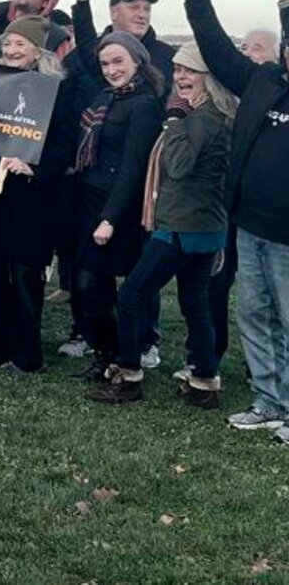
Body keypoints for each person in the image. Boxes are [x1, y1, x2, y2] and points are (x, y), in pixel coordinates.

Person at [88, 41, 234, 407]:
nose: (181, 77)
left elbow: (181, 166)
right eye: (179, 70)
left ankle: (128, 375)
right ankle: (204, 381)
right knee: (194, 301)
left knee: (133, 294)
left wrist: (173, 122)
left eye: (191, 71)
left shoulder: (201, 117)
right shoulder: (211, 114)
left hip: (183, 225)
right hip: (204, 225)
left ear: (208, 77)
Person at [180, 0, 289, 442]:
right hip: (250, 226)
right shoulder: (264, 80)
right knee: (256, 316)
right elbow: (220, 53)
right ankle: (268, 402)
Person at [0, 16, 79, 374]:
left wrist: (35, 168)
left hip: (30, 198)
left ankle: (26, 356)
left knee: (24, 277)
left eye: (19, 45)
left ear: (37, 50)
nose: (10, 51)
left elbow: (65, 143)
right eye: (6, 45)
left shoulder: (57, 88)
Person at [69, 0, 165, 382]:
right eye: (106, 63)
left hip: (118, 208)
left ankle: (123, 353)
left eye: (118, 62)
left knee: (95, 282)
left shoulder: (143, 105)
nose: (111, 70)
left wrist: (109, 218)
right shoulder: (106, 96)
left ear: (138, 63)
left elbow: (132, 169)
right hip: (89, 198)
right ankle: (107, 353)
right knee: (90, 282)